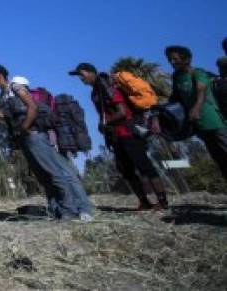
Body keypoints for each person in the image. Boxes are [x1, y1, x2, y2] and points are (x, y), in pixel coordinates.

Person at [0, 66, 91, 221]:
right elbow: (4, 117)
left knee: (53, 173)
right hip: (24, 139)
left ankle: (70, 210)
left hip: (33, 135)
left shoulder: (15, 87)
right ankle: (56, 210)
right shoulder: (4, 95)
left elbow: (32, 107)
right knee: (43, 177)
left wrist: (24, 128)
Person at [69, 63, 169, 210]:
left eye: (82, 75)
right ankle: (144, 201)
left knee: (144, 166)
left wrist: (105, 123)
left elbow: (122, 111)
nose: (81, 79)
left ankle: (162, 201)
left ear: (91, 72)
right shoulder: (95, 91)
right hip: (115, 135)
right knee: (125, 169)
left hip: (128, 132)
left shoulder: (106, 86)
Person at [167, 45, 227, 179]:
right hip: (199, 125)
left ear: (186, 59)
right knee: (220, 159)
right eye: (170, 59)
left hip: (214, 120)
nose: (172, 62)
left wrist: (196, 108)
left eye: (175, 59)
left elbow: (202, 90)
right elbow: (175, 97)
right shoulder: (177, 77)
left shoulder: (197, 72)